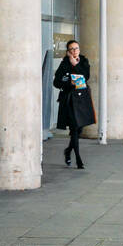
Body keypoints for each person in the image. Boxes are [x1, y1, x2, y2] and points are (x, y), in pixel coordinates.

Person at [53, 40, 93, 169]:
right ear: (68, 51)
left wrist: (75, 65)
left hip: (81, 100)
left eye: (76, 48)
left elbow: (85, 76)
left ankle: (68, 150)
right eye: (71, 49)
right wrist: (68, 82)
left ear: (79, 50)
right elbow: (57, 82)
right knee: (74, 129)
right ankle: (78, 159)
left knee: (79, 129)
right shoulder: (64, 63)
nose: (74, 51)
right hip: (69, 101)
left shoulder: (84, 61)